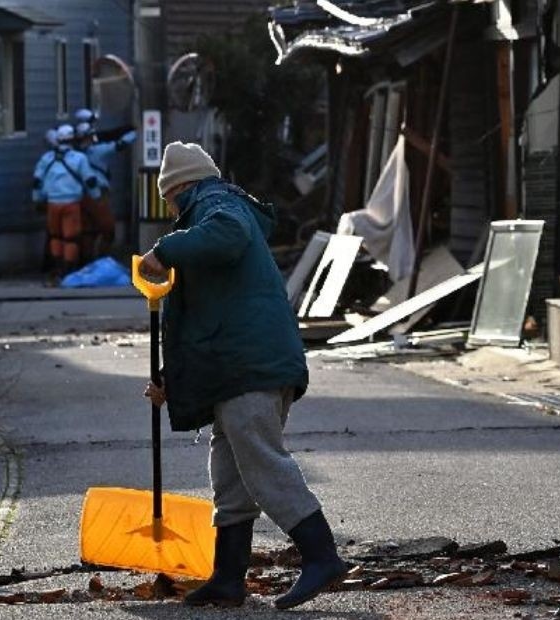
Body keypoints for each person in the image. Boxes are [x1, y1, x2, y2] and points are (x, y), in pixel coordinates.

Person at [139, 142, 347, 609]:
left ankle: (321, 555)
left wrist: (166, 249)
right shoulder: (205, 217)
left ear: (180, 188)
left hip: (252, 366)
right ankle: (228, 578)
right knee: (229, 472)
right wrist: (172, 380)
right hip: (239, 365)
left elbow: (228, 235)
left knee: (260, 459)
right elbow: (204, 324)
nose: (172, 211)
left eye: (170, 200)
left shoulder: (218, 204)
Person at [32, 124, 101, 284]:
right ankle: (68, 271)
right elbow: (90, 181)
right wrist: (96, 196)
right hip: (71, 203)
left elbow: (37, 181)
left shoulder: (47, 158)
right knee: (71, 238)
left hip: (52, 203)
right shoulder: (79, 158)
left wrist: (37, 199)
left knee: (55, 236)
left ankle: (56, 269)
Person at [74, 120, 137, 261]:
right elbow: (120, 144)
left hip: (77, 196)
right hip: (97, 195)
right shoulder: (97, 151)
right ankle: (101, 260)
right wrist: (137, 132)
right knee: (108, 230)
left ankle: (86, 262)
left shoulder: (73, 154)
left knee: (88, 231)